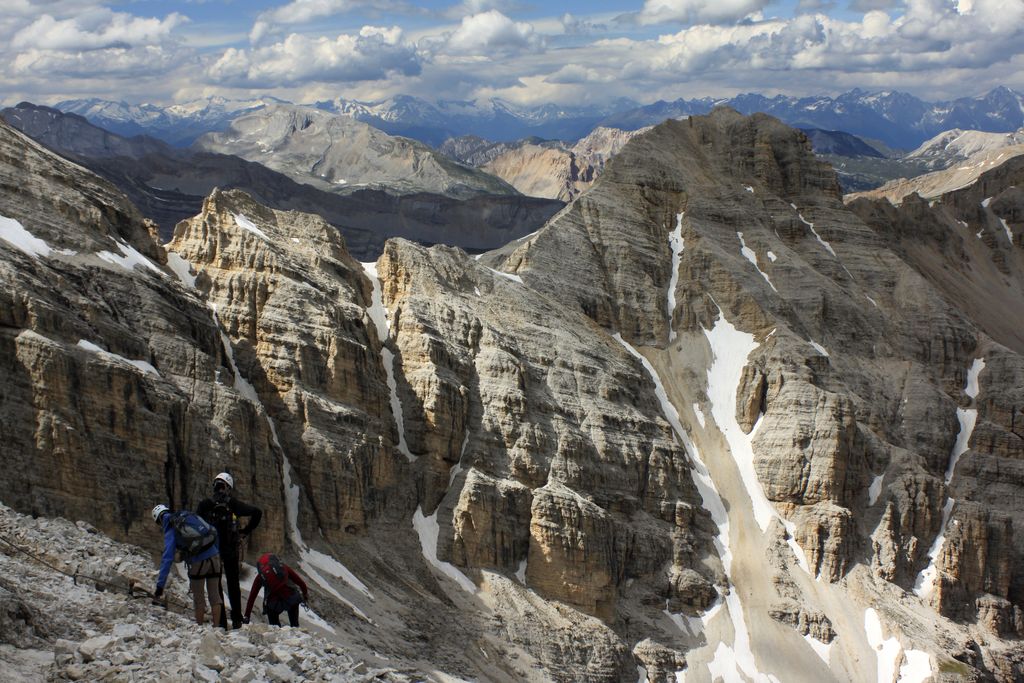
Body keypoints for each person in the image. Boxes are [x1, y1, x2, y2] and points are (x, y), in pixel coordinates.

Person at [196, 472, 263, 629]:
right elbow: (257, 512)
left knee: (215, 584)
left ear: (214, 485)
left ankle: (220, 622)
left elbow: (196, 523)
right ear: (228, 488)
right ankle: (237, 620)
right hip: (231, 550)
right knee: (233, 584)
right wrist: (245, 531)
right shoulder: (232, 504)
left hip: (212, 551)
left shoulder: (205, 504)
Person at [151, 503, 223, 627]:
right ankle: (217, 629)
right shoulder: (186, 516)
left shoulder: (171, 528)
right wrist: (216, 552)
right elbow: (213, 530)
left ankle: (199, 628)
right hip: (214, 557)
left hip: (199, 561)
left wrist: (159, 587)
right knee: (215, 595)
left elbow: (167, 559)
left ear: (159, 520)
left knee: (199, 599)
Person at [243, 553, 309, 628]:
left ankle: (276, 633)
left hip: (273, 604)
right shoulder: (283, 567)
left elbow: (252, 596)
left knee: (274, 628)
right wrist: (305, 595)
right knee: (295, 626)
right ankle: (296, 630)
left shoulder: (260, 576)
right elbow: (301, 583)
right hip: (291, 597)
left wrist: (247, 616)